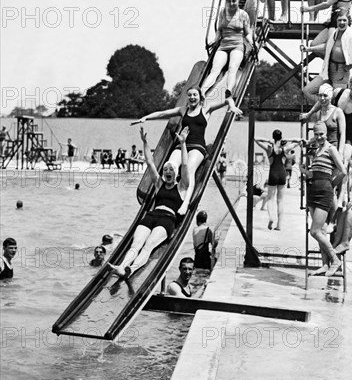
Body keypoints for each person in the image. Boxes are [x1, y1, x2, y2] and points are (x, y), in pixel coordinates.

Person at [133, 85, 241, 216]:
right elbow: (163, 113)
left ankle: (185, 202)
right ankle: (160, 199)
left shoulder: (206, 109)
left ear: (200, 97)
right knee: (170, 166)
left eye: (194, 95)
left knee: (189, 169)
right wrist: (145, 117)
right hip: (182, 145)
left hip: (198, 147)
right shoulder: (183, 110)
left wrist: (233, 106)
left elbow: (227, 100)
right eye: (189, 95)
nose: (192, 97)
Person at [109, 127, 190, 279]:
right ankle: (121, 267)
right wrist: (145, 142)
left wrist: (183, 144)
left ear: (176, 173)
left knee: (148, 246)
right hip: (151, 215)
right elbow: (150, 162)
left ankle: (131, 270)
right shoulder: (159, 184)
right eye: (165, 169)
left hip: (167, 219)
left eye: (171, 169)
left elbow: (185, 165)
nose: (168, 171)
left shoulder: (182, 187)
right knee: (136, 244)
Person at [300, 121, 346, 277]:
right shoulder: (318, 150)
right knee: (322, 231)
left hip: (324, 193)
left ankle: (335, 260)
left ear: (326, 134)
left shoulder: (331, 149)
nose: (319, 137)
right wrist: (305, 171)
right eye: (316, 134)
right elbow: (316, 173)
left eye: (321, 134)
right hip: (313, 192)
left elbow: (343, 171)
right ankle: (324, 265)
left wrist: (331, 184)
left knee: (314, 231)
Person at [302, 9, 352, 103]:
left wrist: (351, 66)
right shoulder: (335, 33)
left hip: (340, 73)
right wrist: (309, 49)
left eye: (344, 20)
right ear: (336, 21)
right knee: (307, 91)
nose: (342, 23)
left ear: (348, 21)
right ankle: (326, 107)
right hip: (328, 69)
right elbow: (328, 46)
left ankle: (332, 111)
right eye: (339, 20)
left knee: (337, 101)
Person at [201, 0, 253, 104]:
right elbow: (219, 29)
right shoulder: (223, 12)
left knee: (232, 68)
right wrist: (215, 40)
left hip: (237, 45)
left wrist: (252, 42)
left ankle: (228, 90)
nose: (231, 3)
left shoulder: (243, 15)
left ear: (238, 1)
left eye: (234, 1)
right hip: (224, 45)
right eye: (229, 1)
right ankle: (202, 91)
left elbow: (248, 32)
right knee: (215, 70)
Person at [255, 129, 301, 230]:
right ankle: (279, 225)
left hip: (273, 173)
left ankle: (271, 217)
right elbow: (299, 141)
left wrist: (268, 140)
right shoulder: (285, 148)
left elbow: (255, 139)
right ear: (281, 137)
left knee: (271, 199)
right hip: (282, 174)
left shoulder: (269, 148)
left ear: (273, 137)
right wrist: (287, 140)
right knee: (280, 201)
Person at [300, 83, 346, 158]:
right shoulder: (319, 113)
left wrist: (340, 152)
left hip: (334, 149)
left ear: (330, 97)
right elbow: (319, 133)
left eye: (325, 95)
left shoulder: (338, 112)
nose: (322, 98)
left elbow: (342, 134)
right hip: (322, 149)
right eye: (320, 95)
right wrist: (309, 142)